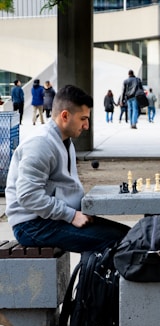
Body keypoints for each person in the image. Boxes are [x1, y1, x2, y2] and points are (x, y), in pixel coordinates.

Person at [5, 85, 130, 253]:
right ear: (65, 116)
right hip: (32, 225)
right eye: (83, 119)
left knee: (129, 235)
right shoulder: (41, 144)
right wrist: (71, 215)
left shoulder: (64, 140)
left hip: (50, 219)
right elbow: (28, 196)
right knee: (121, 241)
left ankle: (95, 278)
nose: (87, 125)